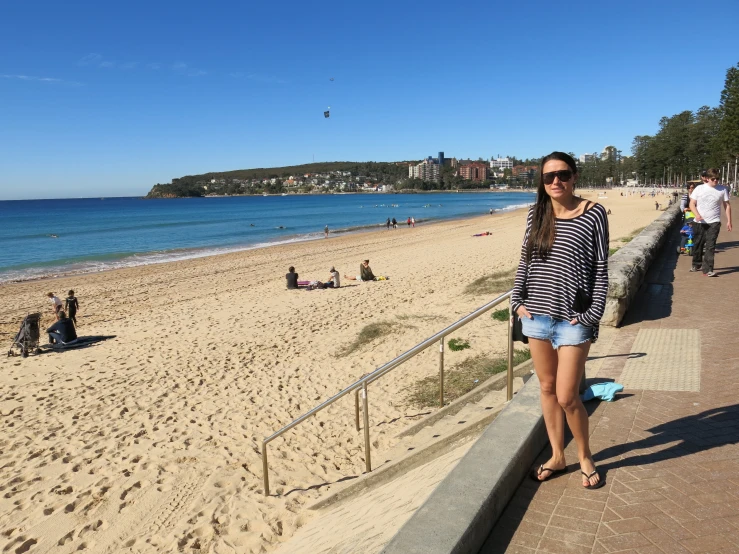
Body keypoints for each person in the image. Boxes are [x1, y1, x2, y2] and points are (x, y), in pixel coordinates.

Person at [511, 152, 609, 490]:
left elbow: (601, 269)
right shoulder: (536, 213)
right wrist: (516, 300)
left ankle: (584, 455)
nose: (556, 181)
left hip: (574, 319)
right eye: (549, 176)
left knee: (568, 396)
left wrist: (592, 314)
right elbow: (526, 259)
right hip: (536, 315)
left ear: (574, 176)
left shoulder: (594, 213)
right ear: (542, 180)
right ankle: (557, 455)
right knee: (547, 388)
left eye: (563, 174)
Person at [690, 167, 732, 276]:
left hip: (714, 222)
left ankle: (708, 269)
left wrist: (729, 221)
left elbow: (727, 205)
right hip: (699, 222)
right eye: (713, 179)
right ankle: (696, 263)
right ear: (707, 178)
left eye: (717, 179)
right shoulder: (699, 189)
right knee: (698, 244)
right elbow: (692, 203)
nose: (715, 181)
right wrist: (697, 215)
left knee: (710, 246)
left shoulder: (722, 189)